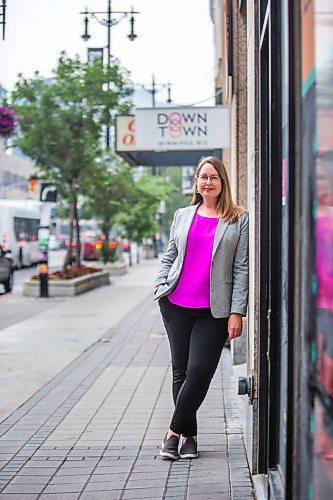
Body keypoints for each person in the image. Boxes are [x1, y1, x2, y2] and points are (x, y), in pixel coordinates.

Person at [154, 155, 249, 460]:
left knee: (200, 370)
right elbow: (170, 255)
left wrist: (237, 311)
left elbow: (241, 269)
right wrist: (160, 287)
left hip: (214, 310)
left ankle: (172, 433)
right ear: (196, 182)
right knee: (180, 371)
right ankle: (189, 437)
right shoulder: (183, 215)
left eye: (213, 177)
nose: (207, 182)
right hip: (176, 304)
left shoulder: (238, 218)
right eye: (202, 177)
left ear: (223, 183)